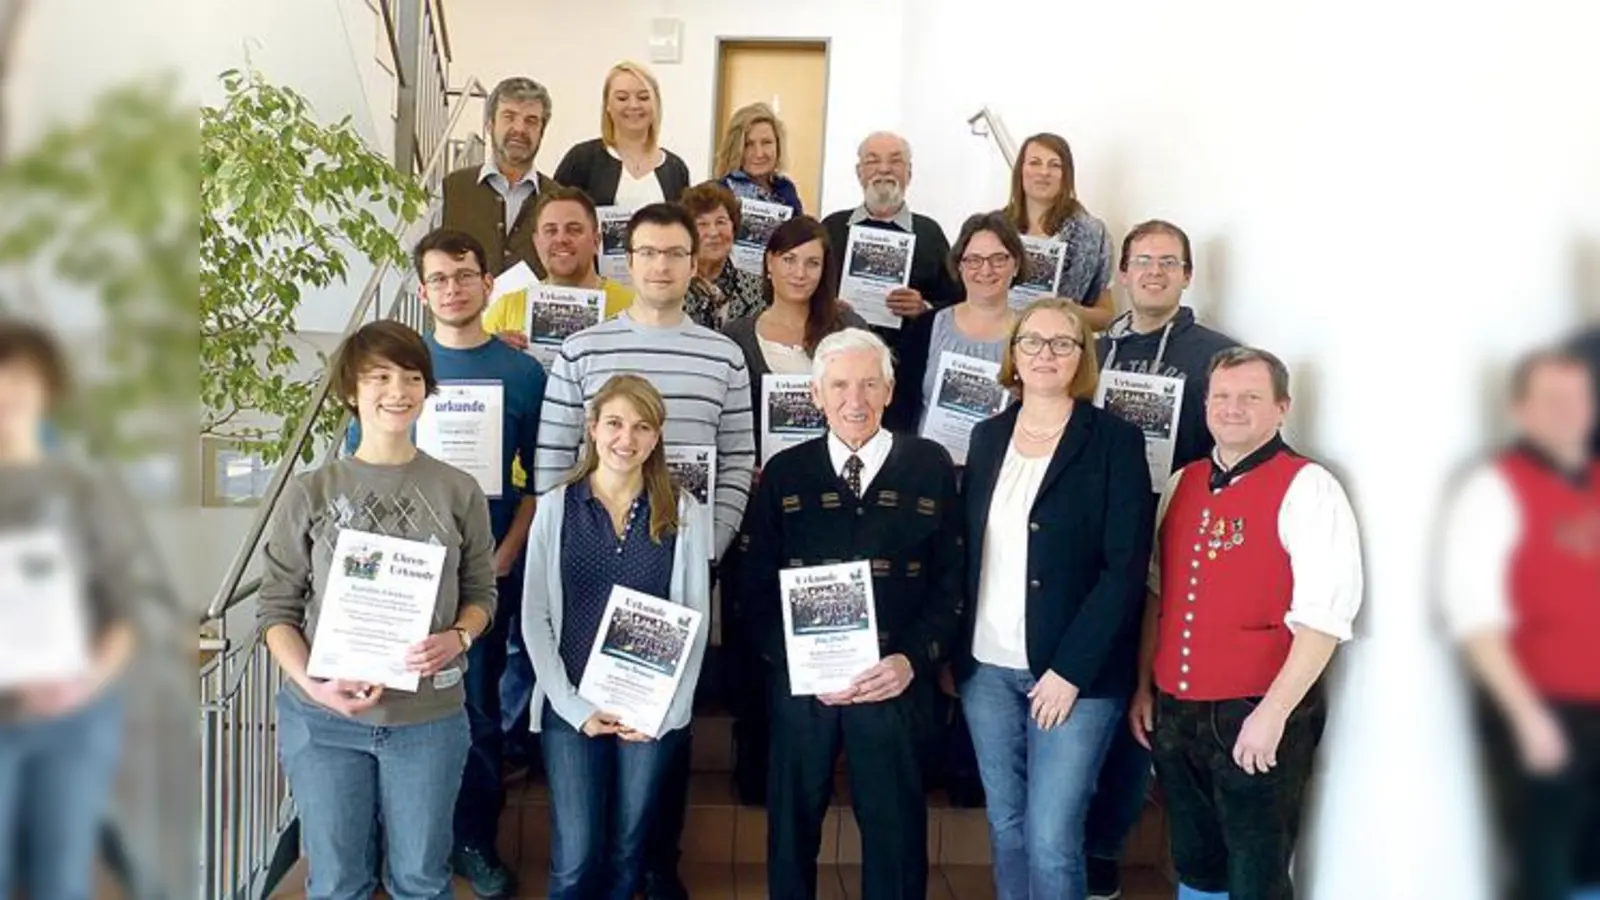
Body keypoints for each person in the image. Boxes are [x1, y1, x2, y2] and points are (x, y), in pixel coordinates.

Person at [532, 202, 755, 900]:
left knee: (644, 824)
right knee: (582, 850)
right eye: (648, 252)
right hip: (587, 558)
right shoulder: (582, 348)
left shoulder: (723, 354)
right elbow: (551, 457)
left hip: (669, 563)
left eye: (675, 253)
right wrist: (563, 521)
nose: (661, 265)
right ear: (628, 259)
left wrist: (703, 547)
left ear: (696, 263)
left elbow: (740, 455)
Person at [259, 320, 498, 900]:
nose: (398, 391)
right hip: (324, 723)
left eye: (412, 377)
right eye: (380, 377)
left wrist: (461, 637)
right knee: (338, 881)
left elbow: (482, 593)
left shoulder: (458, 489)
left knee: (421, 879)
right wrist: (315, 688)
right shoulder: (311, 492)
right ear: (351, 391)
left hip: (429, 719)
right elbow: (275, 612)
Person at [1130, 347, 1363, 900]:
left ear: (1282, 408)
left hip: (1255, 714)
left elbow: (1324, 619)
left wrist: (1273, 714)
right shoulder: (1183, 481)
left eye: (1250, 398)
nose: (1233, 408)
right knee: (1196, 862)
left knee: (1256, 871)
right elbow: (1157, 596)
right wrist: (1144, 687)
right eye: (1222, 397)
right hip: (1176, 711)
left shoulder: (1309, 487)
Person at [738, 327, 964, 900]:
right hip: (802, 686)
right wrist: (795, 662)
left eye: (869, 384)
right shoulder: (784, 474)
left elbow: (951, 580)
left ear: (890, 392)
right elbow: (755, 585)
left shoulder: (930, 466)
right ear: (815, 394)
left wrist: (913, 661)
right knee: (791, 829)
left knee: (895, 834)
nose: (854, 400)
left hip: (895, 682)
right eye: (839, 385)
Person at [956, 299, 1154, 900]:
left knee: (1052, 835)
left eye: (1062, 343)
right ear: (1013, 354)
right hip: (987, 668)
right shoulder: (987, 437)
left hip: (1075, 676)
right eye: (1033, 342)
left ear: (1081, 356)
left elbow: (1123, 570)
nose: (1046, 354)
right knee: (1007, 826)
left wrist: (1069, 670)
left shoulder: (1115, 441)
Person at [1085, 219, 1238, 900]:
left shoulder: (1217, 357)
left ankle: (1104, 850)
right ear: (1120, 272)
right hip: (1093, 542)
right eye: (1141, 260)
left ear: (1187, 275)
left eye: (1167, 262)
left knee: (1135, 697)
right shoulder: (1094, 349)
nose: (1152, 271)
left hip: (1173, 547)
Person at [522, 374, 711, 900]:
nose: (626, 439)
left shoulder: (683, 511)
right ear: (593, 428)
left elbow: (695, 618)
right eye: (615, 424)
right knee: (576, 859)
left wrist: (666, 714)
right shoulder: (557, 507)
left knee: (629, 849)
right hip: (571, 706)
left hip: (647, 714)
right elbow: (534, 617)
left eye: (641, 426)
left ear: (656, 437)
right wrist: (570, 703)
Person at [1439, 349, 1600, 900]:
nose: (1567, 411)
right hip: (1541, 716)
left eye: (1577, 398)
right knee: (1545, 871)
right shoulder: (1492, 489)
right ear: (1522, 411)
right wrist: (1529, 719)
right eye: (1551, 400)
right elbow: (1476, 621)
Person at [719, 216, 867, 803]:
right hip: (760, 505)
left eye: (812, 262)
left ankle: (813, 768)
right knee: (758, 631)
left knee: (825, 630)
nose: (800, 272)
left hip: (831, 508)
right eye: (789, 260)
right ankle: (754, 763)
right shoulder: (736, 333)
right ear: (769, 264)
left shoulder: (846, 328)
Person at [0, 320, 137, 900]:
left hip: (73, 716)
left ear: (47, 389)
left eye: (22, 377)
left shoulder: (84, 491)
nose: (8, 391)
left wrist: (82, 683)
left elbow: (124, 611)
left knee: (60, 878)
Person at [820, 132, 962, 433]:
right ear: (859, 173)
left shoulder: (930, 233)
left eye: (895, 161)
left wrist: (924, 307)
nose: (884, 169)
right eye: (873, 161)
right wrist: (826, 304)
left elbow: (959, 303)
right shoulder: (832, 227)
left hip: (906, 375)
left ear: (909, 173)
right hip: (841, 371)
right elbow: (806, 288)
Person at [912, 211, 1026, 440]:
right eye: (973, 259)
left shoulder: (1032, 336)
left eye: (998, 259)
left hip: (1001, 469)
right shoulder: (926, 327)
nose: (986, 270)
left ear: (1016, 265)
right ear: (959, 265)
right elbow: (903, 407)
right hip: (930, 467)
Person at [483, 186, 639, 340]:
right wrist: (495, 353)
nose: (561, 239)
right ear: (536, 243)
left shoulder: (634, 308)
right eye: (551, 231)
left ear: (596, 241)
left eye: (574, 230)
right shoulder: (505, 309)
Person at [1002, 132, 1117, 332]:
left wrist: (1068, 311)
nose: (1044, 172)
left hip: (1059, 348)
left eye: (1055, 165)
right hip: (998, 346)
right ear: (1020, 170)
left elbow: (1106, 317)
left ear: (1067, 175)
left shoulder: (1092, 235)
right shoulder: (994, 230)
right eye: (1035, 163)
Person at [442, 76, 556, 276]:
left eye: (531, 121)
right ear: (489, 125)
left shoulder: (559, 198)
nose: (519, 129)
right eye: (509, 116)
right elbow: (408, 260)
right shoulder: (451, 190)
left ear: (542, 131)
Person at [553, 62, 691, 208]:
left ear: (656, 104)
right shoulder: (581, 160)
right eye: (622, 98)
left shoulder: (676, 169)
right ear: (607, 105)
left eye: (643, 97)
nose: (634, 105)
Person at [680, 180, 765, 329]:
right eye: (702, 224)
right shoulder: (672, 287)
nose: (713, 232)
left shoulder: (759, 290)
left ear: (734, 226)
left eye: (721, 222)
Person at [714, 102, 804, 214]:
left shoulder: (786, 189)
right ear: (735, 148)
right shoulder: (718, 193)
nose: (759, 153)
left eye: (766, 142)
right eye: (748, 144)